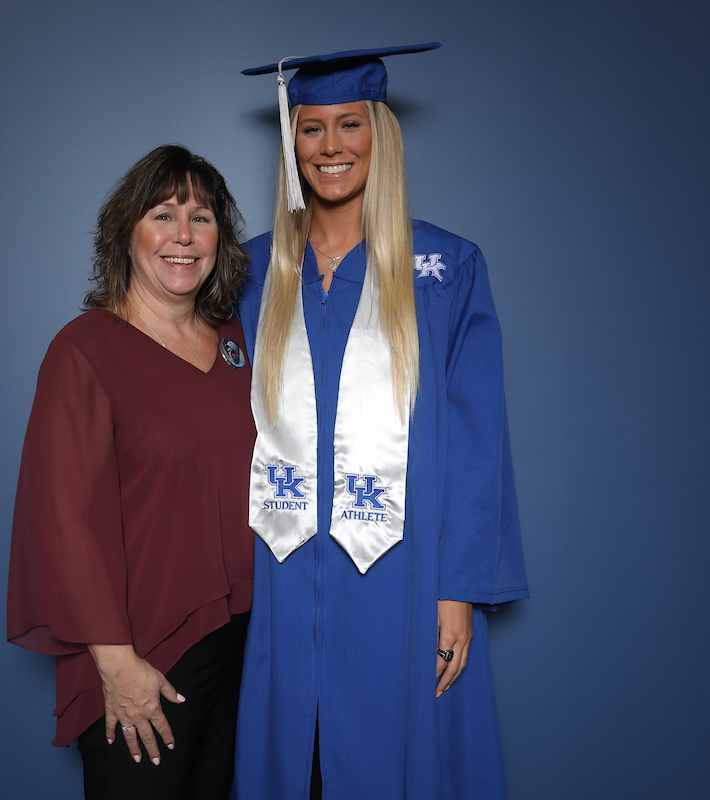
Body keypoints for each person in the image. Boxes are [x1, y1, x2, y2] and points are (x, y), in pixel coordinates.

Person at [233, 46, 530, 799]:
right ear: (291, 141)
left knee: (400, 756)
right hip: (279, 565)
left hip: (403, 570)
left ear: (381, 135)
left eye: (350, 125)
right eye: (311, 129)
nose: (331, 147)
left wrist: (458, 591)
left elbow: (475, 442)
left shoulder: (445, 268)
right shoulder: (251, 270)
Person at [6, 144, 255, 800]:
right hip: (142, 652)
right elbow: (65, 520)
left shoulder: (237, 343)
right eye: (163, 215)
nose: (183, 235)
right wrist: (115, 663)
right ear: (127, 233)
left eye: (201, 218)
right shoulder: (84, 350)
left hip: (239, 644)